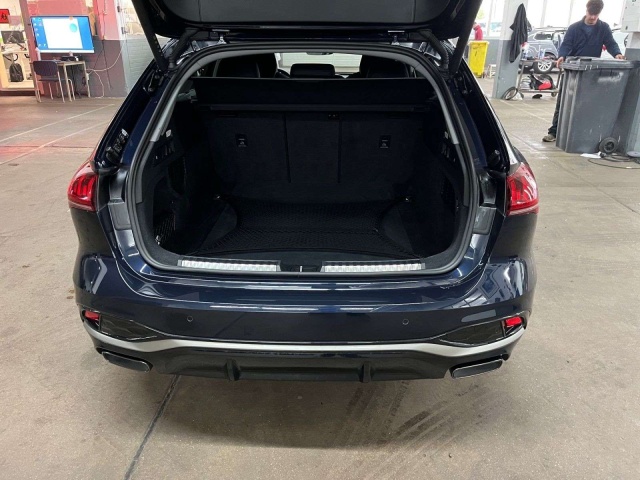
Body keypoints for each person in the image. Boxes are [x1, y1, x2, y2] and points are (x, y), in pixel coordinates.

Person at [542, 0, 624, 143]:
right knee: (564, 102)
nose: (592, 17)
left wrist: (617, 53)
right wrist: (562, 56)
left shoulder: (603, 28)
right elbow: (566, 44)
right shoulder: (574, 28)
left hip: (591, 72)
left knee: (587, 103)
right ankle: (554, 131)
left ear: (600, 13)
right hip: (572, 71)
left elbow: (610, 43)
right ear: (586, 10)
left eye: (595, 15)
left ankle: (580, 133)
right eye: (591, 14)